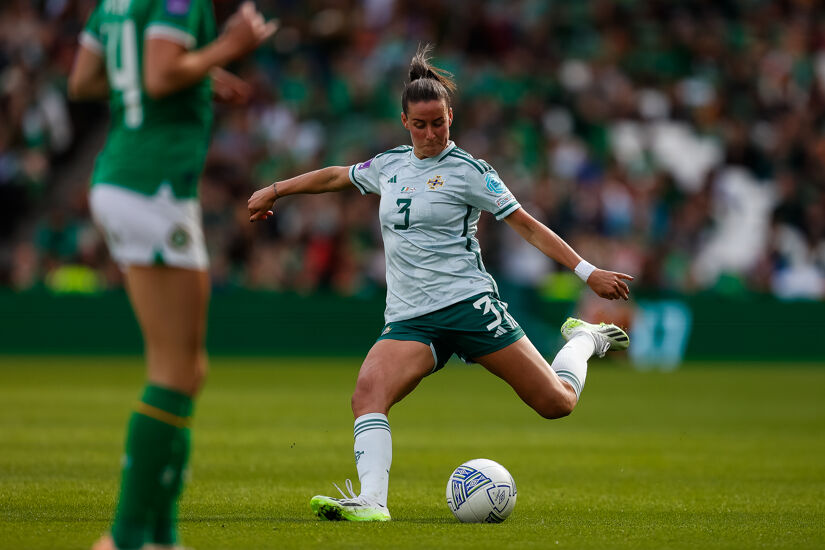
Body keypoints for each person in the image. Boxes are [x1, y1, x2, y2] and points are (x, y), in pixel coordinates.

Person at [248, 44, 633, 522]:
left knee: (556, 404)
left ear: (452, 117)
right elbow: (336, 176)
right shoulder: (388, 166)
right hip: (410, 317)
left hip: (467, 303)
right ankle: (372, 501)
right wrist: (277, 189)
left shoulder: (471, 172)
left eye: (440, 123)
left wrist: (586, 271)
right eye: (421, 124)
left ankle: (583, 339)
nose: (431, 133)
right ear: (405, 122)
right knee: (367, 394)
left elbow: (528, 225)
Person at [68, 1, 275, 548]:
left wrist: (199, 74)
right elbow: (159, 74)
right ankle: (125, 537)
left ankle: (161, 536)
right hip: (152, 184)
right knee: (175, 371)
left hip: (124, 176)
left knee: (186, 370)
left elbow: (85, 79)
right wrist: (227, 46)